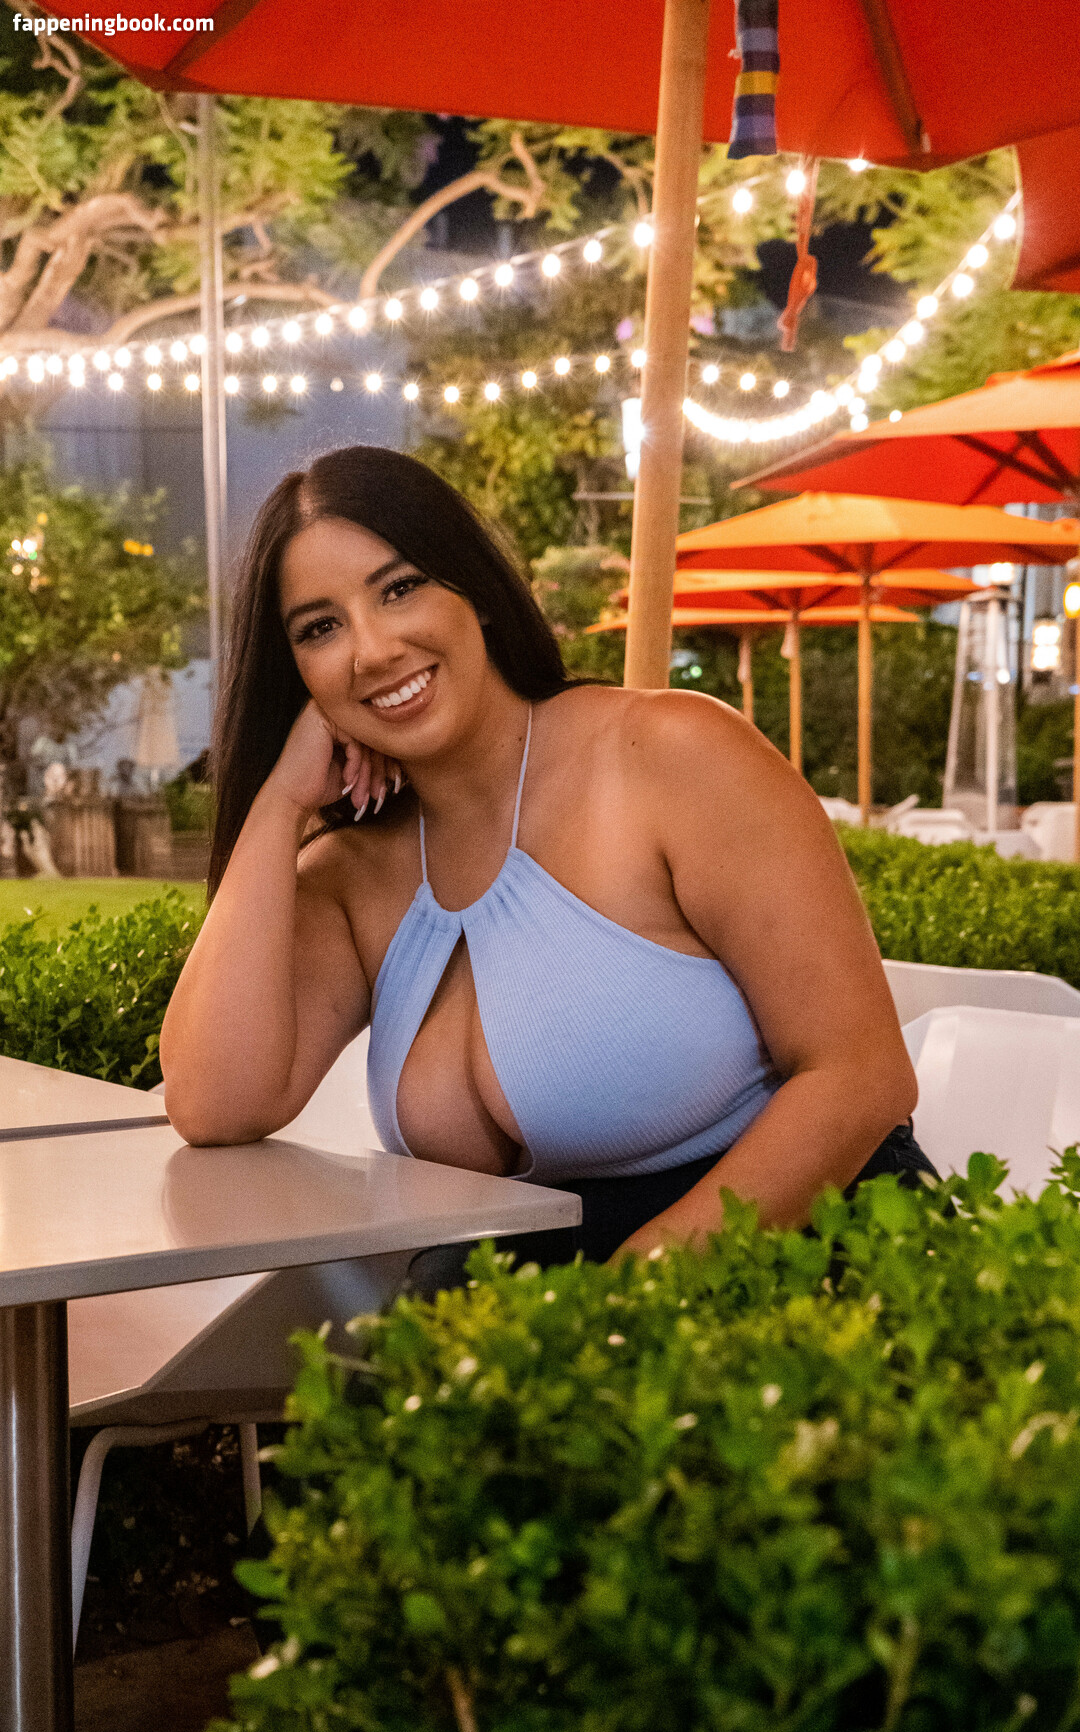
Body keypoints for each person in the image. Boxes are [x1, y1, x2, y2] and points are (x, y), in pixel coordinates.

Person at [160, 446, 928, 1271]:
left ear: (475, 591)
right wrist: (280, 802)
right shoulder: (357, 872)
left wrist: (621, 1301)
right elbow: (213, 1105)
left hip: (794, 1257)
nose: (372, 650)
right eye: (321, 628)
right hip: (533, 1300)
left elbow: (862, 1075)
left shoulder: (669, 754)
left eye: (400, 588)